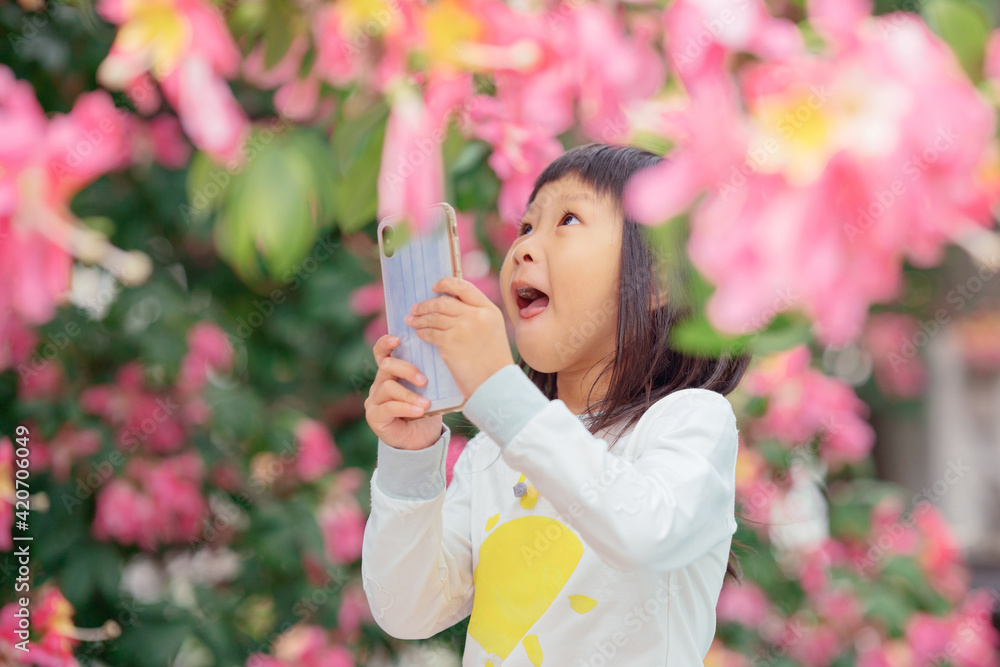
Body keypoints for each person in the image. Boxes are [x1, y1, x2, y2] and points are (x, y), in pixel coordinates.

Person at [362, 142, 751, 666]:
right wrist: (409, 459)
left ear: (656, 278)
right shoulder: (490, 458)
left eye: (567, 219)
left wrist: (497, 388)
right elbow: (406, 610)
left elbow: (641, 533)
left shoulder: (688, 420)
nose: (524, 247)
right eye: (525, 227)